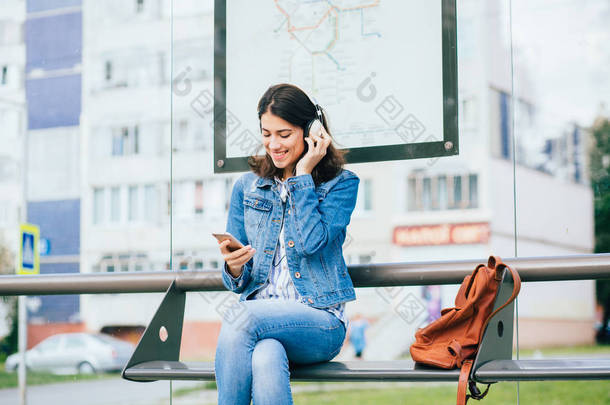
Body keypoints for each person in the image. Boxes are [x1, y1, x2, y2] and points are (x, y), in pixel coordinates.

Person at [214, 83, 360, 405]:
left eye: (284, 134)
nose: (273, 145)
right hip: (263, 323)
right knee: (265, 356)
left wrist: (303, 174)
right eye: (266, 134)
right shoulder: (247, 187)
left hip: (320, 320)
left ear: (311, 133)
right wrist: (235, 267)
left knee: (241, 317)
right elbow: (236, 281)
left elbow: (311, 244)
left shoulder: (342, 185)